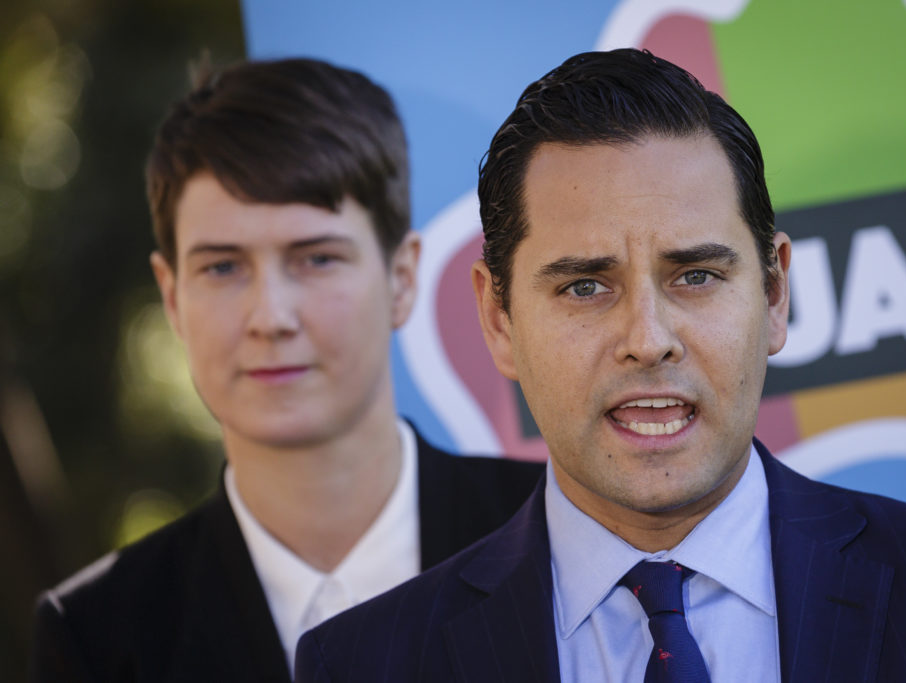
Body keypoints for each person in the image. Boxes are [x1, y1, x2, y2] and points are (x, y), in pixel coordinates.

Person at [294, 48, 906, 682]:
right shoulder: (362, 665)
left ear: (774, 293)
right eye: (585, 285)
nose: (648, 339)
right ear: (497, 318)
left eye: (696, 275)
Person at [29, 58, 542, 682]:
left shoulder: (559, 537)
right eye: (222, 267)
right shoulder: (95, 634)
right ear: (171, 297)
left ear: (402, 277)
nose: (270, 317)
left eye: (317, 259)